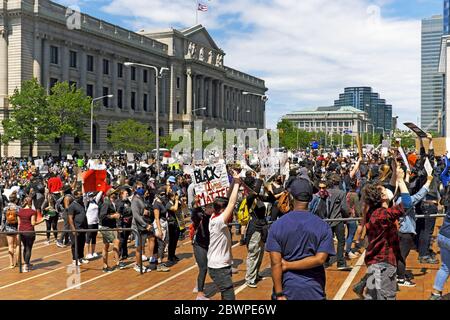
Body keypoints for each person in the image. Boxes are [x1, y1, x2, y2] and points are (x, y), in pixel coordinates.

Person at [266, 178, 335, 300]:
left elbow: (276, 263)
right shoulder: (323, 226)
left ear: (291, 197)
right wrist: (288, 265)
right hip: (314, 290)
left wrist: (279, 294)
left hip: (287, 289)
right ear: (310, 199)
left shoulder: (276, 226)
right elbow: (320, 259)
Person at [361, 164, 412, 300]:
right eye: (384, 190)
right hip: (384, 264)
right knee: (388, 296)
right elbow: (407, 204)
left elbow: (390, 187)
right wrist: (401, 181)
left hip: (373, 262)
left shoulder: (373, 211)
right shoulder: (382, 215)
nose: (388, 190)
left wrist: (395, 170)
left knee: (372, 297)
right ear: (383, 197)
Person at [207, 169, 241, 300]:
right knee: (229, 297)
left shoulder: (215, 216)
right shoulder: (218, 221)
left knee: (225, 295)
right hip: (218, 267)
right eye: (226, 209)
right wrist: (237, 182)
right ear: (222, 210)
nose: (229, 211)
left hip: (223, 265)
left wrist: (233, 181)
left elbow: (227, 199)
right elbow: (231, 203)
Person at [131, 181, 154, 273]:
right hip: (137, 227)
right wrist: (146, 225)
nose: (142, 189)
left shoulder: (141, 198)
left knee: (142, 245)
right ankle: (138, 265)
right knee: (139, 247)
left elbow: (143, 210)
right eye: (139, 187)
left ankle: (141, 264)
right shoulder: (135, 200)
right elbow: (136, 215)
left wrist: (146, 212)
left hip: (143, 226)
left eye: (142, 187)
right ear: (135, 189)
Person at [99, 189, 125, 272]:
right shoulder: (106, 203)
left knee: (106, 246)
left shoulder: (113, 203)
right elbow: (102, 216)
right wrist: (113, 216)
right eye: (114, 193)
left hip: (111, 226)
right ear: (110, 195)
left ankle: (105, 266)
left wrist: (117, 216)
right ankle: (117, 263)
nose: (116, 194)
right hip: (105, 227)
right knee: (116, 241)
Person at [191, 204, 213, 300]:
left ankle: (198, 285)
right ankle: (200, 294)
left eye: (211, 207)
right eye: (208, 207)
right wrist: (196, 206)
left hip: (209, 244)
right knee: (203, 268)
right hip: (199, 244)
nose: (210, 208)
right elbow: (194, 216)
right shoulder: (200, 215)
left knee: (210, 266)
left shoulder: (215, 215)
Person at [17, 196, 44, 272]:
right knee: (29, 248)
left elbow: (19, 223)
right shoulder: (32, 211)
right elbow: (33, 223)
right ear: (31, 202)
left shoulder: (20, 211)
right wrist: (42, 220)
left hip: (21, 232)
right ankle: (26, 266)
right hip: (29, 232)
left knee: (25, 247)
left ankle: (27, 264)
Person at [66, 190, 89, 265]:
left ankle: (81, 257)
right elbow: (70, 218)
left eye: (81, 195)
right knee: (75, 244)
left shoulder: (81, 204)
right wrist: (73, 229)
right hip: (76, 228)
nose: (81, 196)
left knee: (82, 243)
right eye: (79, 195)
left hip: (83, 228)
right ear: (75, 196)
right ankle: (75, 259)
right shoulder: (72, 206)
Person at [1, 192, 20, 268]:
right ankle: (18, 262)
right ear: (15, 200)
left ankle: (11, 264)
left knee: (10, 246)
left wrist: (2, 229)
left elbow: (3, 220)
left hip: (8, 229)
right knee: (17, 245)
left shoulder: (5, 208)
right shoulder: (18, 208)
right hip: (17, 228)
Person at [84, 191, 102, 259]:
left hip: (96, 222)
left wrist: (103, 185)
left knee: (94, 238)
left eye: (92, 196)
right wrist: (83, 185)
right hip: (89, 223)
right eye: (90, 196)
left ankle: (93, 252)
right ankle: (87, 253)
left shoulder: (95, 201)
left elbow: (100, 194)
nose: (91, 197)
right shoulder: (86, 203)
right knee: (88, 238)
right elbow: (84, 196)